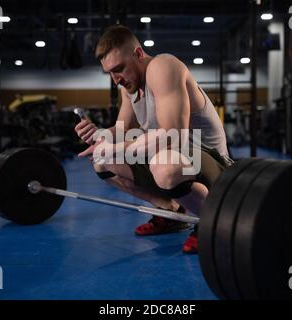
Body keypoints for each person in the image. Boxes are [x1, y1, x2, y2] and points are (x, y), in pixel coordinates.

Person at [75, 25, 233, 254]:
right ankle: (171, 212)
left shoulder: (163, 66)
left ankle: (215, 222)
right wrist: (98, 134)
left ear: (138, 54)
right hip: (174, 156)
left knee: (165, 166)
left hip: (211, 158)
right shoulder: (129, 86)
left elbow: (173, 133)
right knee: (102, 161)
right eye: (110, 72)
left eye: (119, 68)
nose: (116, 79)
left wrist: (118, 148)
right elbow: (121, 130)